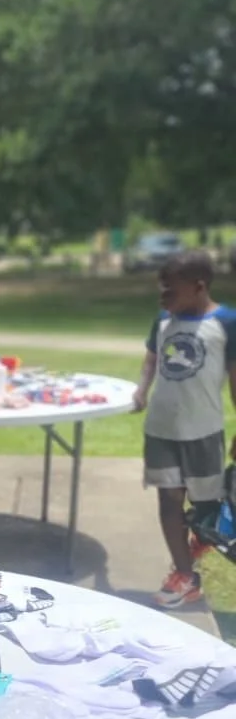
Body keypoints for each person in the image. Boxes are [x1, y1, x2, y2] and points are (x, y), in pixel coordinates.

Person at [132, 251, 236, 606]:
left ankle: (198, 542)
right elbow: (151, 360)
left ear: (198, 287)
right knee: (169, 501)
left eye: (170, 291)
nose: (163, 299)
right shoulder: (163, 320)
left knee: (207, 508)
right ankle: (184, 575)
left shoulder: (226, 323)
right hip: (161, 430)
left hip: (203, 433)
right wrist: (142, 390)